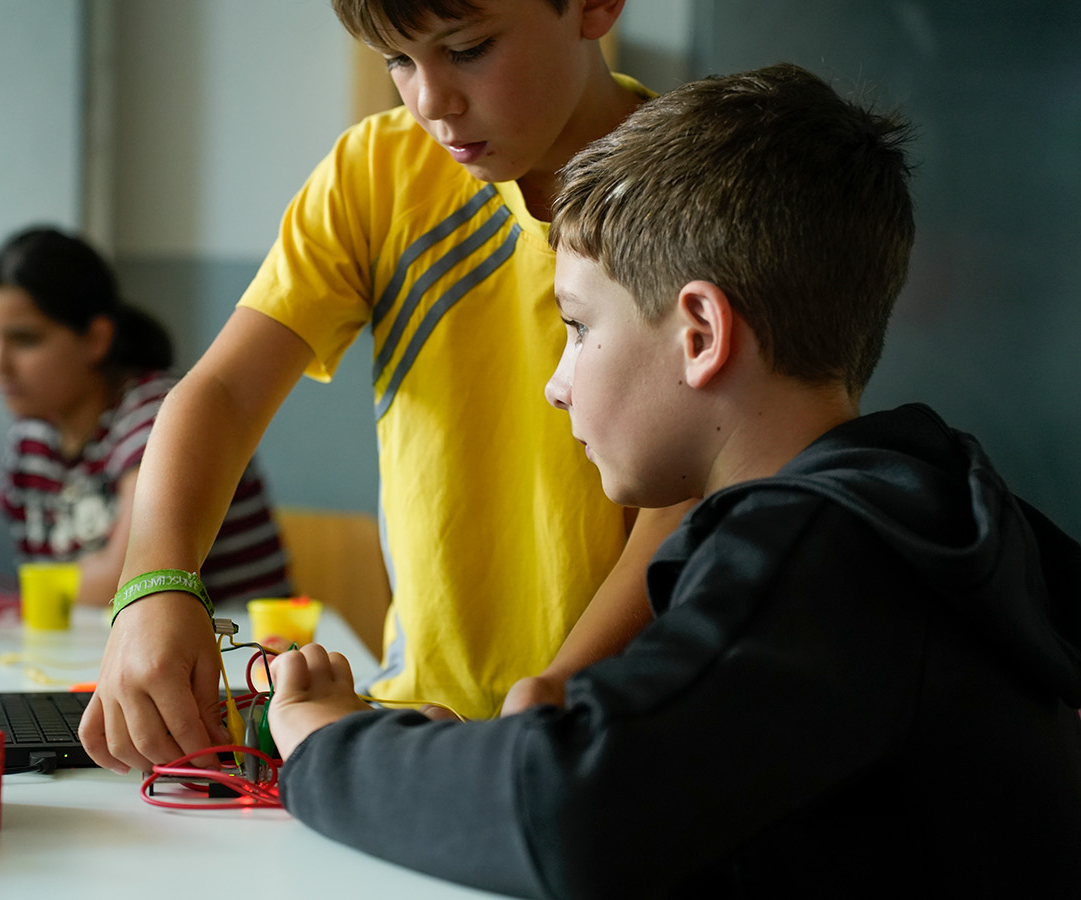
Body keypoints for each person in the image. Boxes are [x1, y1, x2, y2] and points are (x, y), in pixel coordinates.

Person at [264, 63, 1081, 897]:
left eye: (577, 326)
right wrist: (452, 763)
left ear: (699, 334)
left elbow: (572, 811)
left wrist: (327, 745)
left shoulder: (815, 552)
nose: (558, 381)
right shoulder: (921, 513)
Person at [82, 0, 693, 774]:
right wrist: (154, 585)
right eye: (397, 61)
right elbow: (225, 394)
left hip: (614, 730)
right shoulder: (379, 172)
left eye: (469, 48)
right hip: (421, 713)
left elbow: (690, 489)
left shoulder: (696, 188)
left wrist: (552, 695)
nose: (431, 101)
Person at [0, 226, 291, 608]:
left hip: (239, 652)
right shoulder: (31, 434)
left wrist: (23, 599)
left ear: (96, 339)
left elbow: (124, 583)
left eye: (25, 339)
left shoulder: (159, 411)